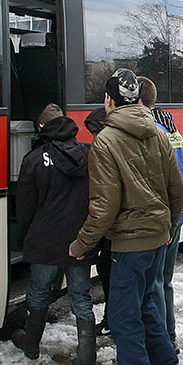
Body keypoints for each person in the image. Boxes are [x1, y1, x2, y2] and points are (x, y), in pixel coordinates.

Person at [69, 68, 183, 365]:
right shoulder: (159, 133)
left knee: (123, 317)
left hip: (129, 244)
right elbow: (176, 189)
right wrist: (169, 229)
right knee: (146, 302)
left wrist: (81, 244)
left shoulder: (105, 140)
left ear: (109, 101)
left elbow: (104, 207)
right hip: (156, 237)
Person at [13, 103, 98, 365]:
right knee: (81, 297)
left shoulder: (34, 159)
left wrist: (24, 235)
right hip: (80, 241)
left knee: (39, 291)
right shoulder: (88, 154)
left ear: (41, 128)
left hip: (45, 240)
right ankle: (87, 362)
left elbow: (25, 206)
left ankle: (31, 345)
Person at [138, 76, 183, 355]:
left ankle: (162, 343)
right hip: (178, 213)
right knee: (165, 281)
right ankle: (169, 336)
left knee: (154, 282)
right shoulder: (172, 129)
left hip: (164, 217)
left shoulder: (152, 132)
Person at [84, 107, 112, 337]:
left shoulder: (107, 152)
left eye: (96, 132)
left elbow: (105, 203)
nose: (94, 138)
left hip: (118, 231)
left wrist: (83, 242)